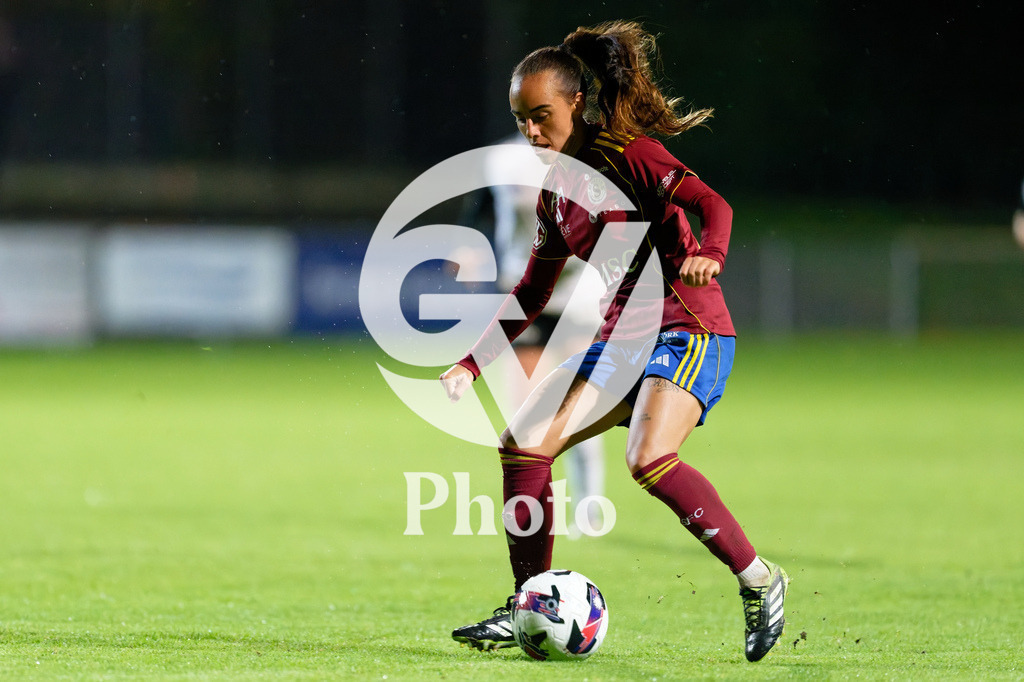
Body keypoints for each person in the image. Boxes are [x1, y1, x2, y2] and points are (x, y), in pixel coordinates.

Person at [440, 20, 789, 662]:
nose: (532, 133)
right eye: (521, 119)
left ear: (576, 102)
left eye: (542, 116)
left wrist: (709, 254)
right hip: (623, 342)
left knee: (648, 459)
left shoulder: (631, 155)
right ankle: (527, 605)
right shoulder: (555, 199)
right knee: (522, 445)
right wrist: (470, 360)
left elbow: (715, 205)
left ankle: (760, 580)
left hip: (690, 326)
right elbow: (529, 295)